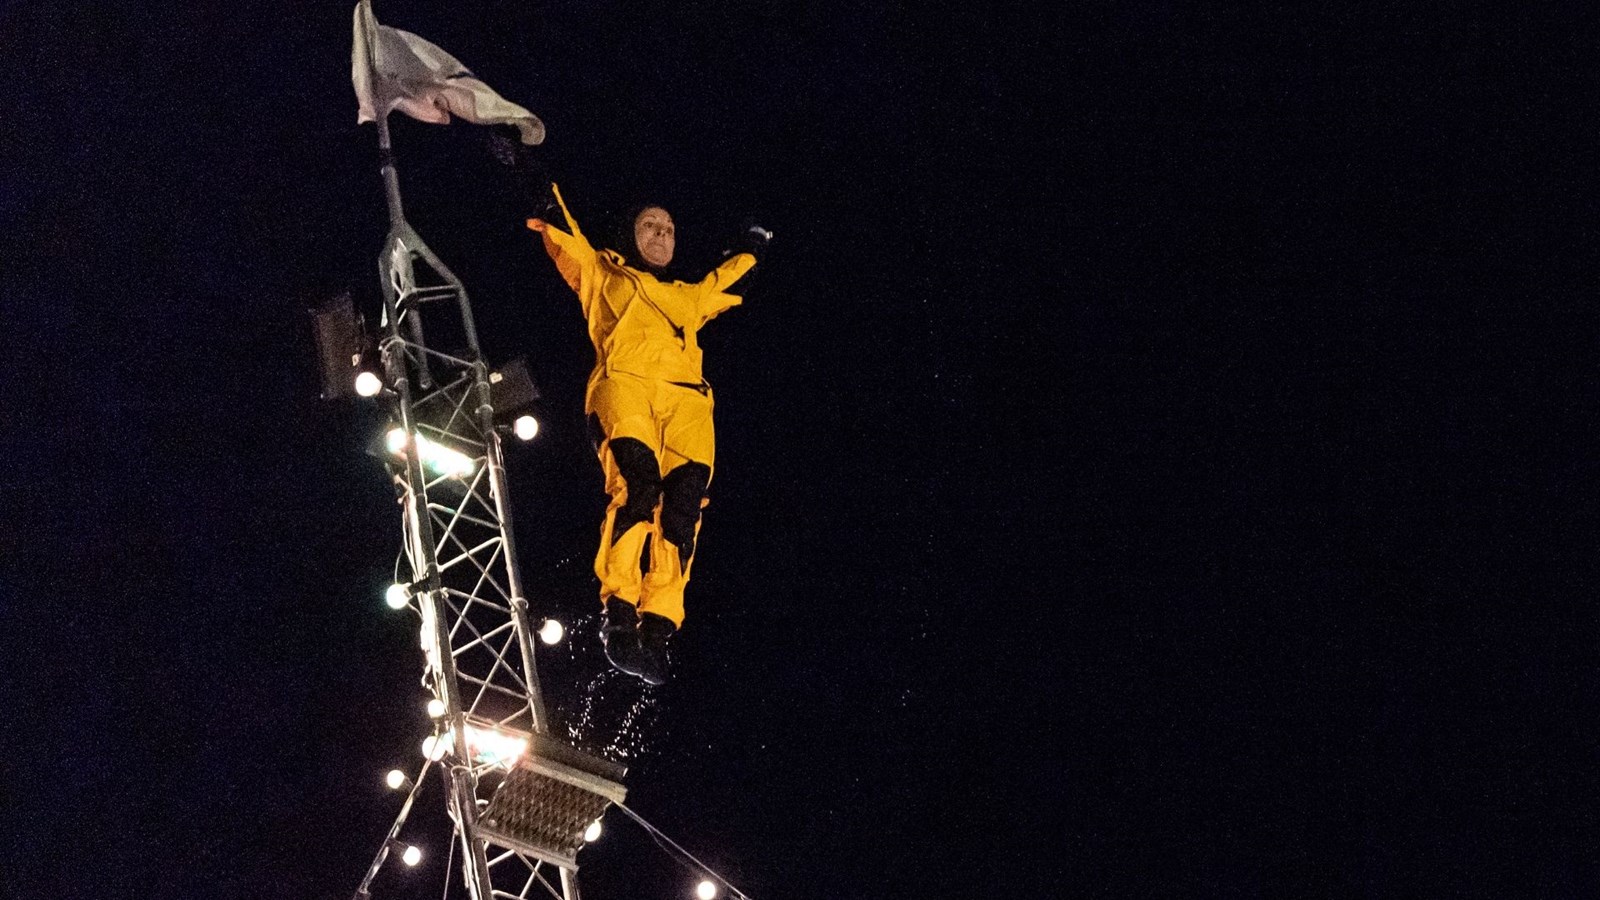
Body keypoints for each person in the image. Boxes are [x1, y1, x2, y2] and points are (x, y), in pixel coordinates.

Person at [525, 181, 770, 685]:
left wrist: (756, 241)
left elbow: (731, 279)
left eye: (670, 230)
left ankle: (657, 628)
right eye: (650, 227)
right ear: (629, 234)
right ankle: (618, 615)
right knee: (639, 487)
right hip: (625, 385)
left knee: (683, 508)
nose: (662, 235)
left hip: (686, 401)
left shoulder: (686, 297)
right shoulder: (602, 271)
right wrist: (530, 171)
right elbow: (560, 225)